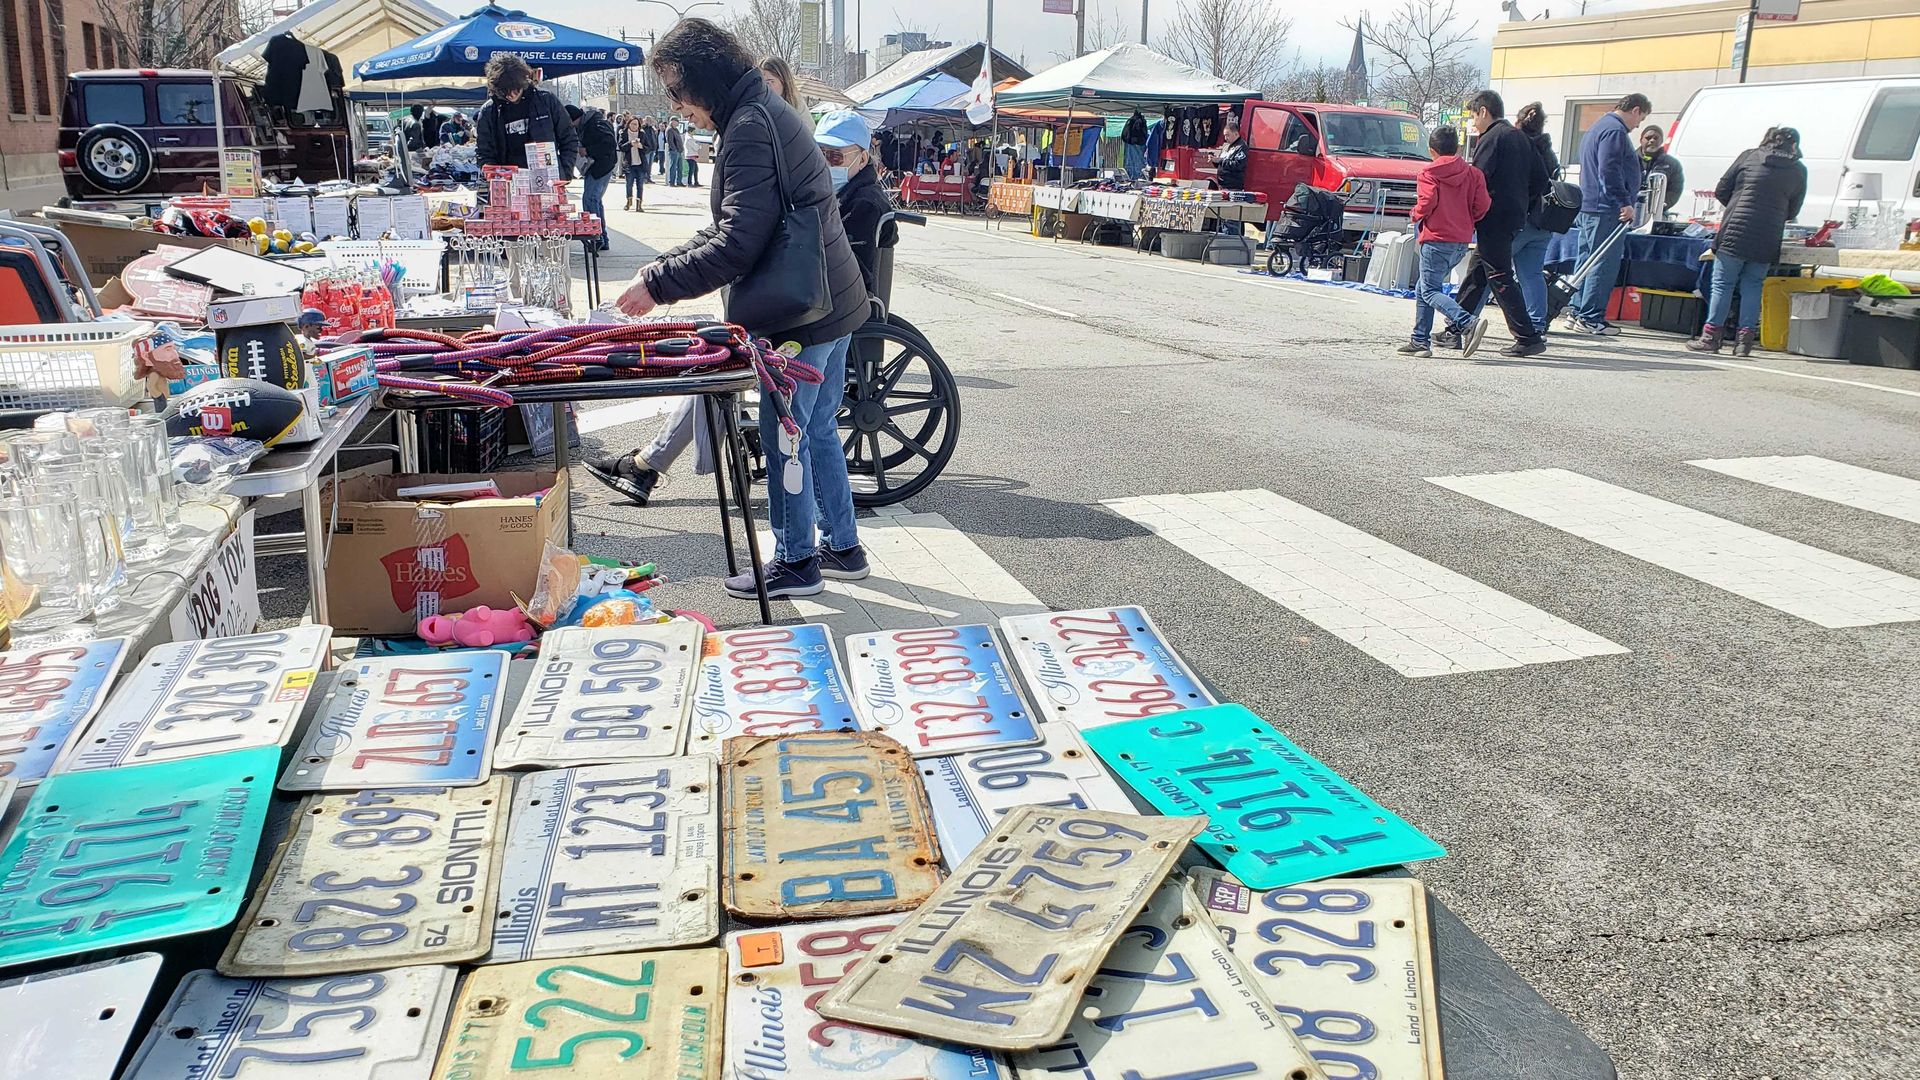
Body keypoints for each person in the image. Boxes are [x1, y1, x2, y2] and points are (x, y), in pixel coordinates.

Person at [602, 18, 870, 599]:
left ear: (705, 78)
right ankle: (843, 545)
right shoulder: (760, 114)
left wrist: (658, 287)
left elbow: (736, 242)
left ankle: (798, 559)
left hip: (804, 311)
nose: (677, 108)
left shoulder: (750, 125)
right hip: (830, 297)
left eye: (677, 92)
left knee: (788, 434)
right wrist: (659, 270)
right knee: (818, 427)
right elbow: (732, 228)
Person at [1688, 126, 1807, 357]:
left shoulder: (1749, 156)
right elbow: (1793, 209)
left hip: (1735, 231)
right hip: (1768, 235)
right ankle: (1744, 343)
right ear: (1794, 146)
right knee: (1753, 286)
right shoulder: (1798, 170)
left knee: (1723, 285)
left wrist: (1736, 204)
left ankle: (1711, 338)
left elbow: (1722, 189)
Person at [1455, 90, 1550, 358]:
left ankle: (1527, 336)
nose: (1474, 122)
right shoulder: (1521, 137)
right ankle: (1455, 327)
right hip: (1515, 214)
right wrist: (1522, 200)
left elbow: (1478, 179)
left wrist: (1471, 210)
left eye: (1474, 116)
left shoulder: (1492, 138)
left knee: (1499, 275)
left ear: (1484, 111)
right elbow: (1541, 180)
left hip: (1493, 215)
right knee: (1478, 272)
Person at [1399, 126, 1489, 359]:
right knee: (1423, 287)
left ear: (1431, 150)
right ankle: (1420, 339)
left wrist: (1415, 213)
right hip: (1460, 240)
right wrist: (1469, 220)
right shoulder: (1474, 174)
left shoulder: (1429, 173)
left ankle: (1467, 322)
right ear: (1458, 148)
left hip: (1436, 237)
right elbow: (1483, 205)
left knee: (1429, 290)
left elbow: (1427, 201)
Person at [1565, 92, 1649, 335]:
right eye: (1640, 119)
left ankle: (1576, 309)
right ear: (1635, 110)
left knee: (1585, 259)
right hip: (1606, 208)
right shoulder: (1615, 131)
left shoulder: (1597, 127)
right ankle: (1590, 317)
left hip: (1590, 205)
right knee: (1603, 262)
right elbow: (1609, 170)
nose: (1638, 125)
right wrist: (1624, 201)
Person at [815, 109, 894, 295]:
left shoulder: (865, 204)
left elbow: (853, 274)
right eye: (819, 154)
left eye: (835, 156)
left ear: (862, 159)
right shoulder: (828, 191)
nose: (826, 164)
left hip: (844, 301)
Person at [475, 54, 579, 178]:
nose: (511, 96)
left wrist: (564, 173)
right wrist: (493, 176)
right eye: (504, 93)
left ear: (522, 83)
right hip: (507, 181)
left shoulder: (546, 100)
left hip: (546, 178)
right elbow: (484, 151)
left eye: (515, 90)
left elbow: (568, 138)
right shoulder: (489, 111)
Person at [568, 104, 617, 251]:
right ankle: (601, 237)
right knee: (594, 200)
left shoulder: (595, 124)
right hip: (599, 166)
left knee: (590, 199)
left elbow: (609, 144)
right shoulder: (590, 122)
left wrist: (587, 150)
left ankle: (596, 237)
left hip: (601, 166)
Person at [1640, 124, 1684, 214]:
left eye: (1656, 138)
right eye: (1648, 138)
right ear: (1641, 140)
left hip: (1658, 212)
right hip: (1631, 211)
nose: (1652, 140)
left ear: (1661, 141)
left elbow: (1675, 190)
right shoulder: (1629, 160)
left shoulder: (1672, 164)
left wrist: (1659, 206)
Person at [619, 116, 653, 211]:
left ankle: (639, 204)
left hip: (640, 163)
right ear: (629, 124)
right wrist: (630, 144)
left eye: (637, 124)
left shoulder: (642, 134)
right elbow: (621, 147)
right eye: (633, 124)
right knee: (629, 184)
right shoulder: (624, 133)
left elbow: (648, 147)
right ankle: (629, 201)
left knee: (640, 185)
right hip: (629, 163)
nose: (635, 126)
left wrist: (641, 146)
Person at [664, 120, 685, 186]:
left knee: (680, 167)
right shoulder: (669, 129)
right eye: (677, 121)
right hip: (674, 151)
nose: (678, 123)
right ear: (673, 121)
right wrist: (674, 149)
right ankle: (672, 182)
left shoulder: (676, 130)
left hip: (679, 151)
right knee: (673, 167)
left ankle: (679, 181)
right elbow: (670, 141)